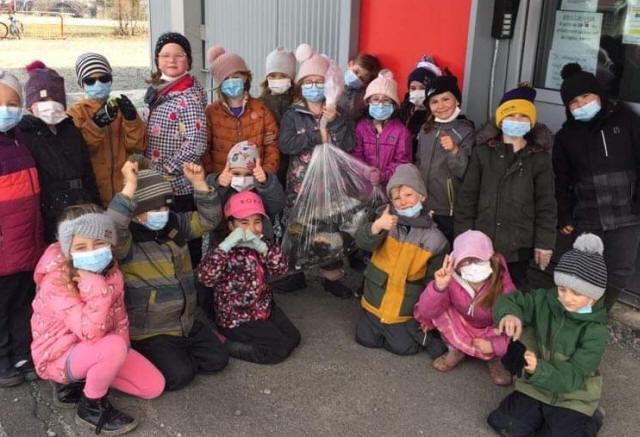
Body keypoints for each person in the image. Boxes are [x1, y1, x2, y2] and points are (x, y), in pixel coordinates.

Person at [30, 205, 165, 435]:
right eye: (81, 247)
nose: (92, 252)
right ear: (68, 250)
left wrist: (122, 352)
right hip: (59, 356)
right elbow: (89, 332)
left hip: (102, 347)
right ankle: (91, 407)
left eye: (99, 243)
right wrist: (96, 288)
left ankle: (93, 374)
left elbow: (120, 317)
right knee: (113, 346)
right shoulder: (57, 281)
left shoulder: (111, 270)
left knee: (153, 386)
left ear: (110, 244)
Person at [107, 157, 228, 391]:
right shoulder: (125, 241)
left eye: (164, 207)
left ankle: (178, 352)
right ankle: (132, 357)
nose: (161, 213)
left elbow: (209, 219)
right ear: (135, 210)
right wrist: (130, 187)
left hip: (184, 321)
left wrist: (200, 185)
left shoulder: (174, 225)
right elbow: (112, 225)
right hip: (150, 329)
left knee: (217, 360)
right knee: (180, 376)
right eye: (153, 208)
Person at [487, 234, 608, 436]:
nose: (566, 298)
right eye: (562, 289)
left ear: (594, 297)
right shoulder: (545, 300)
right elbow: (511, 300)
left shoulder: (596, 331)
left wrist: (538, 369)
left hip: (573, 395)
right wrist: (510, 314)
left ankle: (592, 419)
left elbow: (575, 375)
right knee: (504, 424)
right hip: (535, 386)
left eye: (576, 293)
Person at [554, 63, 640, 311]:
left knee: (620, 270)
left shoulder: (626, 121)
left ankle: (599, 315)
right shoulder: (566, 137)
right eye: (574, 102)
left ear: (599, 95)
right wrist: (565, 213)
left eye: (586, 97)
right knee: (583, 270)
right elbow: (562, 179)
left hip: (627, 213)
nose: (581, 104)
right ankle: (579, 316)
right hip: (588, 215)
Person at [454, 85, 557, 290]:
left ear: (531, 122)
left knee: (513, 292)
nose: (517, 121)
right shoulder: (483, 153)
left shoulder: (539, 158)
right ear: (500, 120)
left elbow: (546, 203)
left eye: (523, 117)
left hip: (519, 245)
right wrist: (463, 239)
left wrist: (544, 242)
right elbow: (467, 198)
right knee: (480, 292)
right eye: (511, 115)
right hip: (482, 241)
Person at [278, 43, 356, 297]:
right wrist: (317, 134)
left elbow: (347, 145)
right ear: (301, 86)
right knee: (297, 229)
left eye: (319, 80)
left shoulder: (339, 113)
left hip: (329, 186)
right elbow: (286, 144)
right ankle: (295, 274)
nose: (313, 86)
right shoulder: (293, 114)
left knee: (328, 231)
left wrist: (332, 124)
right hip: (299, 185)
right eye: (308, 81)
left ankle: (332, 277)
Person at [354, 164, 448, 355]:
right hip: (374, 301)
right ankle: (375, 324)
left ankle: (412, 332)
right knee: (364, 339)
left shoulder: (436, 239)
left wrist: (426, 314)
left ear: (421, 196)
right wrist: (377, 227)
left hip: (403, 310)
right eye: (397, 197)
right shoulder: (384, 218)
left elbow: (432, 281)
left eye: (408, 195)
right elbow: (362, 243)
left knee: (404, 348)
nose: (403, 202)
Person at [196, 192, 300, 364]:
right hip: (236, 318)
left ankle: (262, 331)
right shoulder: (222, 249)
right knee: (278, 350)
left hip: (263, 308)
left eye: (257, 222)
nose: (252, 229)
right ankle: (226, 343)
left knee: (294, 338)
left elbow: (281, 269)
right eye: (244, 223)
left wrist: (263, 248)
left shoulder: (263, 244)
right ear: (230, 225)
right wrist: (225, 247)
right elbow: (205, 278)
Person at [414, 230, 514, 385]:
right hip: (463, 322)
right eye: (465, 262)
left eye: (477, 259)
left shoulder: (502, 283)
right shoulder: (451, 279)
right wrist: (438, 287)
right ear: (456, 263)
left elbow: (513, 320)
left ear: (491, 259)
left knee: (507, 322)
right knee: (441, 308)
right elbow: (427, 310)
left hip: (489, 327)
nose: (471, 266)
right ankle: (456, 350)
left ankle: (495, 361)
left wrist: (495, 346)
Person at [17, 61, 101, 244]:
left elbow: (87, 173)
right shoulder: (24, 134)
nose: (49, 106)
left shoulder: (71, 130)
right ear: (30, 105)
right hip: (48, 214)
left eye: (54, 100)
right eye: (42, 101)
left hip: (80, 207)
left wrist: (96, 205)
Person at [143, 32, 208, 266]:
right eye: (165, 55)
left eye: (179, 55)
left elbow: (196, 142)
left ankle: (193, 285)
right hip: (158, 180)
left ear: (188, 61)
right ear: (157, 60)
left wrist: (167, 170)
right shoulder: (160, 90)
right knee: (165, 235)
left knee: (184, 237)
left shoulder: (187, 96)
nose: (172, 60)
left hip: (179, 184)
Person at [0, 70, 45, 387]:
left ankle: (21, 353)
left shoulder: (19, 140)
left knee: (22, 300)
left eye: (13, 103)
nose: (7, 109)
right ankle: (3, 360)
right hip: (4, 245)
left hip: (25, 242)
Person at [67, 52, 146, 207]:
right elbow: (77, 152)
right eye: (90, 80)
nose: (98, 84)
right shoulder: (76, 113)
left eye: (103, 78)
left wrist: (131, 121)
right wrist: (95, 125)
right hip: (94, 194)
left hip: (124, 191)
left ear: (111, 79)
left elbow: (137, 146)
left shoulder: (119, 107)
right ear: (81, 84)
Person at [203, 45, 280, 178]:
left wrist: (265, 174)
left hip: (255, 182)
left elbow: (272, 146)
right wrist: (215, 178)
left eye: (236, 76)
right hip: (223, 183)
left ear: (245, 77)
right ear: (219, 83)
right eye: (226, 78)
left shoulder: (261, 110)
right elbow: (205, 149)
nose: (231, 81)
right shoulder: (211, 113)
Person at [415, 74, 474, 244]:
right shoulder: (426, 130)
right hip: (424, 203)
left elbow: (464, 171)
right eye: (434, 101)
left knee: (445, 247)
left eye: (446, 99)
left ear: (457, 101)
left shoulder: (465, 131)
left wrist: (454, 150)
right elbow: (419, 161)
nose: (440, 106)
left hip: (448, 208)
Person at [352, 70, 412, 189]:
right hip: (364, 187)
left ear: (394, 105)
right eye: (375, 99)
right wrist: (366, 172)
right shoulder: (361, 127)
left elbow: (403, 162)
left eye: (386, 100)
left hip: (392, 188)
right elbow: (355, 155)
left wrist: (383, 176)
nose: (380, 105)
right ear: (368, 102)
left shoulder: (401, 131)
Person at [259, 47, 296, 187]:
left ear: (292, 77)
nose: (277, 80)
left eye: (283, 75)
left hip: (294, 163)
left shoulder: (298, 102)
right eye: (273, 75)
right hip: (269, 164)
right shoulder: (260, 103)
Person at [398, 55, 442, 155]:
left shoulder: (437, 115)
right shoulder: (403, 109)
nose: (417, 92)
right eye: (413, 88)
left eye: (422, 88)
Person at [339, 52, 381, 121]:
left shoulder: (364, 97)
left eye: (361, 79)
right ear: (350, 64)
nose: (356, 77)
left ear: (365, 83)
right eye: (355, 72)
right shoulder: (333, 84)